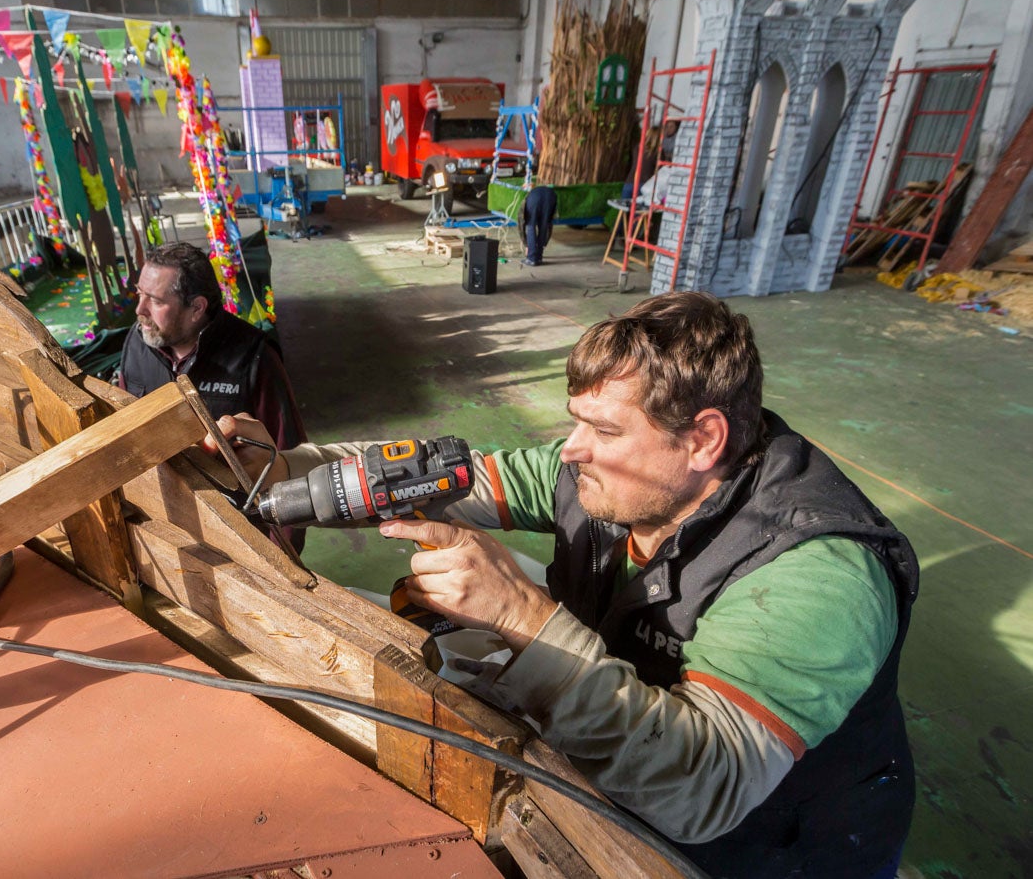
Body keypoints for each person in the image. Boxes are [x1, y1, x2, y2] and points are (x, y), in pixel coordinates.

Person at [215, 292, 918, 878]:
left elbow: (702, 789)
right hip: (626, 761)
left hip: (771, 845)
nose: (572, 448)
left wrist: (522, 617)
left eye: (604, 430)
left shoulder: (817, 572)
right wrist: (283, 473)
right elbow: (439, 480)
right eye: (575, 421)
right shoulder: (610, 476)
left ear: (703, 439)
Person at [116, 241, 306, 456]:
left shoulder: (255, 358)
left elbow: (290, 455)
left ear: (197, 308)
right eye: (140, 294)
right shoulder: (137, 341)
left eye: (156, 302)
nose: (140, 309)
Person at [519, 185, 557, 266]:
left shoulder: (525, 201)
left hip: (535, 198)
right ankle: (539, 257)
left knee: (531, 226)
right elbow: (549, 225)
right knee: (544, 226)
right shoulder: (533, 192)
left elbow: (521, 226)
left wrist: (526, 245)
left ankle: (531, 259)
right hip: (551, 196)